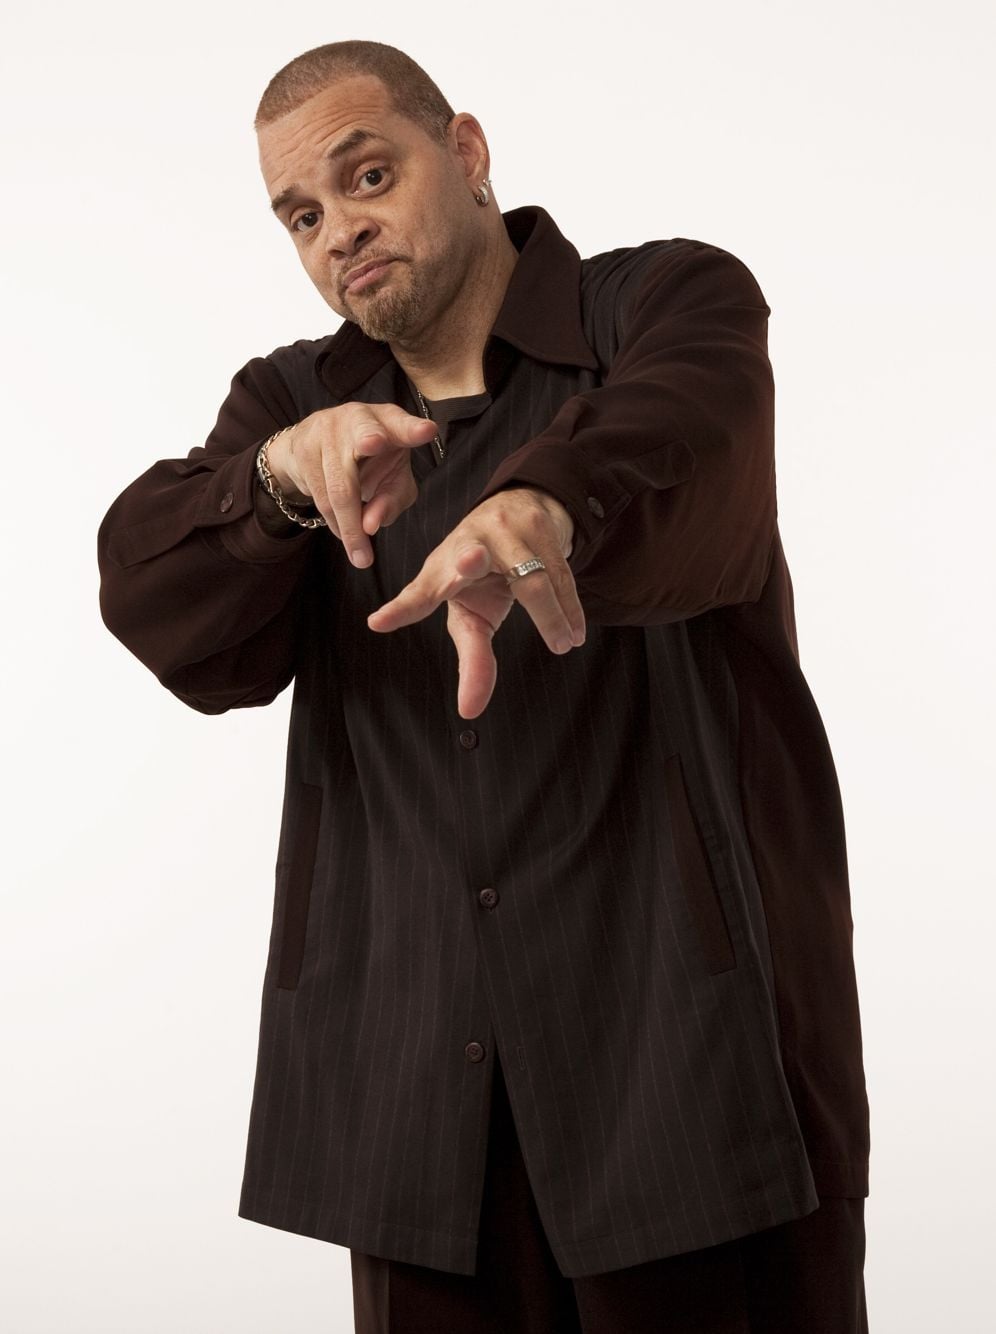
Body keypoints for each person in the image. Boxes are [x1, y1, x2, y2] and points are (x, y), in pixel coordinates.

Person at [97, 39, 870, 1334]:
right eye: (303, 213)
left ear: (463, 152)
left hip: (691, 1067)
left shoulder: (660, 303)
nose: (341, 229)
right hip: (419, 1109)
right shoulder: (295, 403)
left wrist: (540, 505)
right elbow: (147, 585)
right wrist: (279, 481)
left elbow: (694, 417)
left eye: (368, 175)